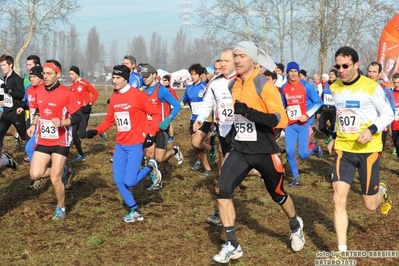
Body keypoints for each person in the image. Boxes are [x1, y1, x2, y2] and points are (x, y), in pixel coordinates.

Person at [211, 41, 305, 264]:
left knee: (278, 194)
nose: (237, 60)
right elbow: (237, 118)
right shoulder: (233, 85)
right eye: (235, 56)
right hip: (241, 149)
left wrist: (250, 112)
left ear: (253, 60)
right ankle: (233, 245)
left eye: (241, 56)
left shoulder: (264, 85)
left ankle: (295, 225)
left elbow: (279, 119)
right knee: (221, 189)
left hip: (264, 150)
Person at [327, 46, 393, 255]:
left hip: (369, 150)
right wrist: (335, 137)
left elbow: (388, 114)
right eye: (338, 66)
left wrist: (372, 129)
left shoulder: (371, 87)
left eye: (345, 66)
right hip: (343, 150)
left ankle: (382, 190)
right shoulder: (335, 87)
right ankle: (342, 251)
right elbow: (341, 114)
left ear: (356, 65)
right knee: (338, 198)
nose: (341, 70)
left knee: (370, 205)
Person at [86, 65, 162, 222]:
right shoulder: (114, 97)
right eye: (113, 78)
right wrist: (96, 131)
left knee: (130, 181)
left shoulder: (138, 95)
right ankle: (135, 211)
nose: (114, 81)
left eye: (118, 78)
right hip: (120, 144)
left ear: (126, 79)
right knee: (119, 180)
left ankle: (150, 166)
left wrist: (151, 134)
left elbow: (155, 114)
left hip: (136, 144)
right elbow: (109, 120)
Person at [28, 59, 80, 220]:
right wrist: (33, 125)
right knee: (35, 174)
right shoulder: (40, 90)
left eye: (49, 73)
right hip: (43, 140)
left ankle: (61, 207)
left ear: (58, 74)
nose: (45, 76)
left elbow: (78, 116)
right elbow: (38, 110)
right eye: (44, 73)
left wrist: (63, 122)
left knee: (54, 178)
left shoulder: (66, 93)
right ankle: (65, 170)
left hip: (60, 140)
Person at [140, 64, 183, 190]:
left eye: (147, 76)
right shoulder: (143, 91)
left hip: (161, 128)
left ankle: (175, 150)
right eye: (143, 77)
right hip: (149, 128)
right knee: (149, 155)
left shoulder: (162, 90)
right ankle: (156, 182)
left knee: (159, 158)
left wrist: (168, 120)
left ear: (154, 75)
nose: (145, 79)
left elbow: (177, 105)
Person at [280, 61, 323, 187]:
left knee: (302, 154)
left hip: (304, 124)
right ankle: (296, 177)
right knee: (289, 152)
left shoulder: (306, 86)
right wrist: (284, 110)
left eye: (295, 71)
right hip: (291, 125)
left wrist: (307, 115)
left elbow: (318, 102)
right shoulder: (284, 88)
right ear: (287, 72)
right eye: (290, 71)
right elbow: (282, 104)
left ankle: (314, 147)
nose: (293, 74)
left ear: (298, 72)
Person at [181, 63, 213, 176]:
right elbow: (182, 101)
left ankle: (209, 147)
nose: (193, 76)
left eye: (195, 74)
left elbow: (212, 103)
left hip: (204, 120)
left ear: (200, 75)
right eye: (191, 74)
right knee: (197, 147)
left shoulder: (206, 86)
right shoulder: (189, 88)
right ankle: (208, 169)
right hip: (193, 120)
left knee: (196, 142)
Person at [69, 65, 103, 162]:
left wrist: (89, 104)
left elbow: (96, 93)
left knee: (82, 134)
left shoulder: (84, 83)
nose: (70, 76)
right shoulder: (71, 86)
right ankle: (81, 154)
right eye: (70, 74)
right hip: (75, 112)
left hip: (84, 111)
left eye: (72, 74)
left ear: (77, 74)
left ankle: (97, 132)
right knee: (73, 134)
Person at [0, 54, 26, 152]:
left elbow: (22, 94)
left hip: (16, 112)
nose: (2, 67)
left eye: (4, 65)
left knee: (24, 135)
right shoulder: (5, 78)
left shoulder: (16, 78)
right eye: (1, 65)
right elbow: (7, 96)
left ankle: (34, 155)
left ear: (10, 65)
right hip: (6, 112)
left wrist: (10, 92)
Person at [367, 62, 395, 152]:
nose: (371, 74)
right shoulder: (362, 89)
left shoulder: (386, 91)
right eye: (369, 71)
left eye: (374, 72)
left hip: (381, 128)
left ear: (380, 74)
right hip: (364, 126)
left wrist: (390, 127)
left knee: (377, 153)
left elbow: (391, 110)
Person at [317, 69, 338, 144]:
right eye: (330, 74)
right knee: (321, 127)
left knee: (333, 127)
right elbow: (322, 98)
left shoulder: (339, 85)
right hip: (325, 109)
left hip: (334, 110)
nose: (331, 75)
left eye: (333, 74)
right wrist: (318, 112)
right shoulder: (325, 84)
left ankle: (332, 141)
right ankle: (328, 133)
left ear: (336, 76)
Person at [161, 74, 178, 142]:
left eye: (165, 80)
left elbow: (175, 100)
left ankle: (171, 137)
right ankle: (164, 135)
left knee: (169, 123)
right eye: (163, 80)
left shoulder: (171, 90)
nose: (163, 82)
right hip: (164, 109)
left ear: (168, 81)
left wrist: (176, 110)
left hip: (170, 109)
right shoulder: (162, 89)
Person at [391, 73, 399, 157]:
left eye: (398, 82)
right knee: (396, 146)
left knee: (398, 143)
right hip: (394, 125)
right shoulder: (391, 93)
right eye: (395, 82)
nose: (396, 84)